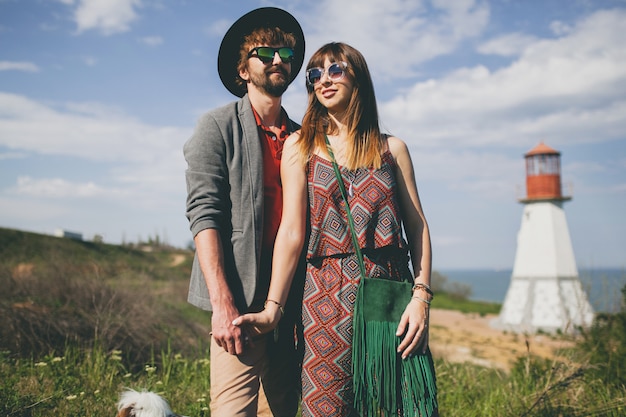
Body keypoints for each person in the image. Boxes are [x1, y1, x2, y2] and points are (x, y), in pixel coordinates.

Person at [234, 42, 439, 416]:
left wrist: (421, 298)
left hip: (390, 293)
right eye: (314, 75)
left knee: (409, 407)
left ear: (357, 76)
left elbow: (417, 227)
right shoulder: (302, 146)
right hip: (325, 297)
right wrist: (273, 308)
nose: (323, 80)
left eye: (335, 69)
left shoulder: (393, 149)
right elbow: (292, 233)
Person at [183, 7, 306, 417]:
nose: (277, 60)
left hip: (294, 308)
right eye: (265, 52)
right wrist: (223, 304)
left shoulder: (306, 138)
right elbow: (205, 214)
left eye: (286, 55)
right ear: (242, 70)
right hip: (240, 309)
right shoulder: (216, 126)